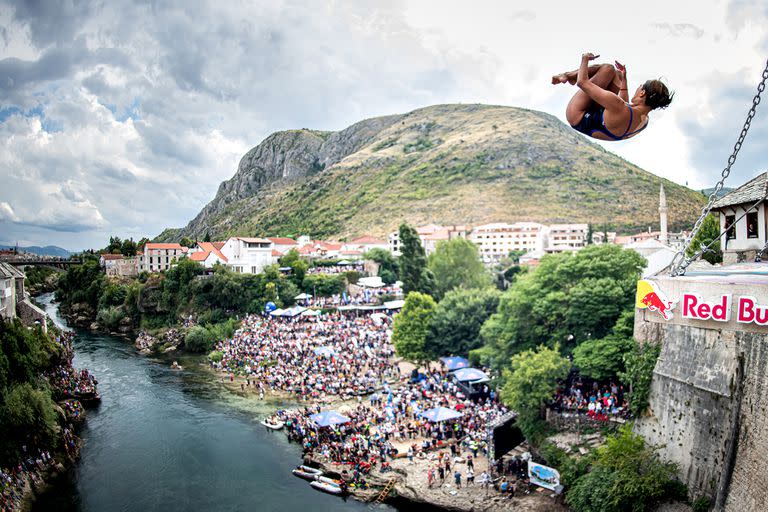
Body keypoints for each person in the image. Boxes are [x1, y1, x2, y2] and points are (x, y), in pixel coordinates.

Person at [553, 53, 672, 141]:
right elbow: (623, 107)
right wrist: (623, 77)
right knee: (618, 75)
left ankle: (567, 75)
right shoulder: (644, 121)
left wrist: (584, 59)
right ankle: (569, 76)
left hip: (577, 115)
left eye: (640, 87)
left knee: (608, 69)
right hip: (596, 121)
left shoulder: (618, 106)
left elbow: (582, 82)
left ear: (642, 93)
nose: (637, 89)